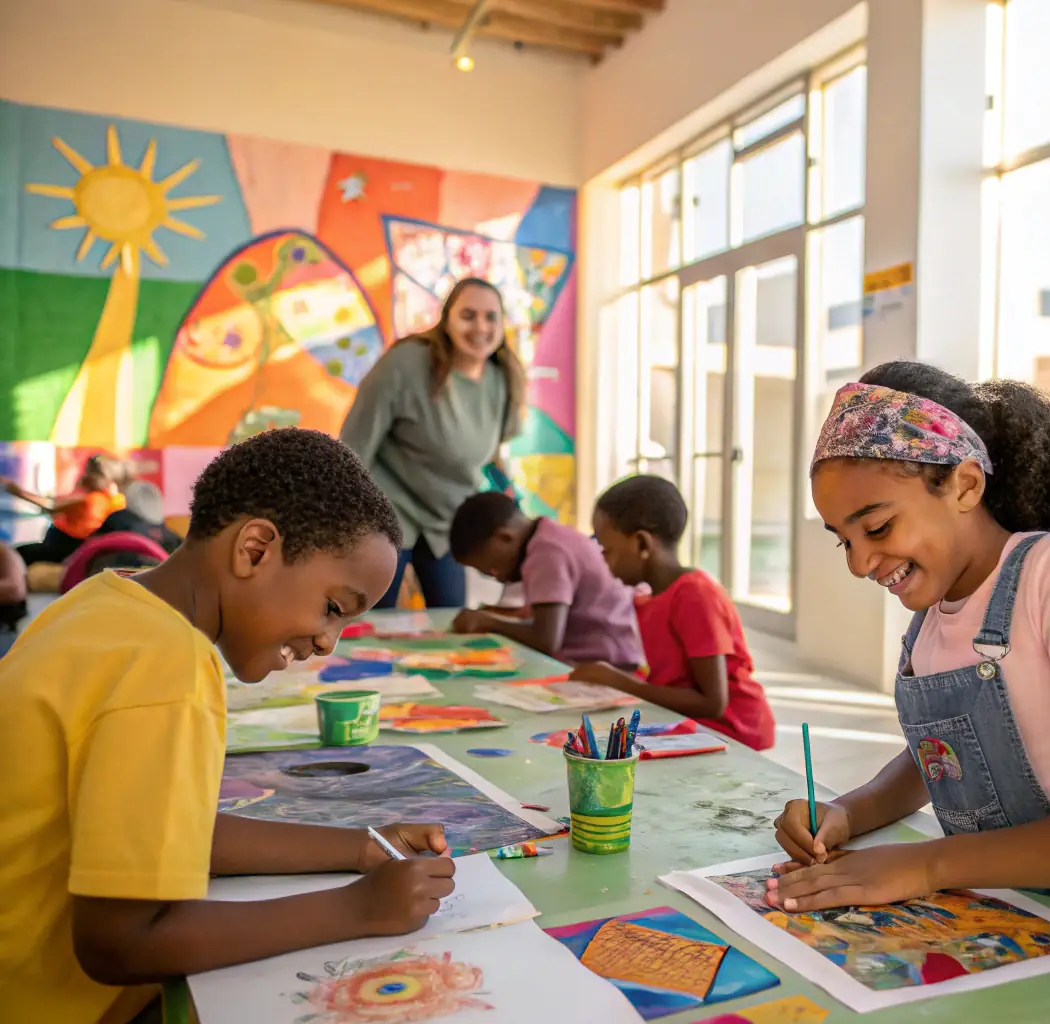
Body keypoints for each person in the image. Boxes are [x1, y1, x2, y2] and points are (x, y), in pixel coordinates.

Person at [0, 429, 458, 1023]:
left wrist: (365, 847)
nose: (326, 642)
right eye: (333, 609)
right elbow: (121, 942)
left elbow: (170, 827)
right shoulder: (166, 668)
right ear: (256, 549)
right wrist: (355, 911)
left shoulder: (101, 606)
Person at [770, 362, 1050, 940]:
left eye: (879, 527)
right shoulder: (930, 621)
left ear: (965, 485)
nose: (859, 564)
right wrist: (847, 812)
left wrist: (925, 865)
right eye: (844, 540)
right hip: (1012, 912)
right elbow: (944, 757)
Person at [341, 277, 526, 610]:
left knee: (450, 619)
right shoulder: (406, 363)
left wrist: (517, 512)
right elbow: (355, 445)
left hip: (448, 521)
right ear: (447, 320)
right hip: (386, 514)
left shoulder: (504, 378)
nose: (480, 327)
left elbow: (493, 457)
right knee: (368, 623)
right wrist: (345, 523)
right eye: (468, 315)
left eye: (490, 317)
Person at [569, 475, 776, 750]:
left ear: (642, 544)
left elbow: (713, 703)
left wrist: (620, 682)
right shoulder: (650, 597)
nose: (604, 562)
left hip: (732, 732)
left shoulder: (694, 595)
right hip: (689, 725)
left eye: (607, 551)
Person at [447, 491, 642, 667]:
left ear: (504, 537)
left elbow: (545, 640)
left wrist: (489, 623)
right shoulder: (548, 533)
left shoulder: (546, 553)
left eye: (492, 569)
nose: (498, 578)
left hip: (605, 665)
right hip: (610, 654)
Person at [3, 455, 126, 565]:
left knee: (12, 557)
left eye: (88, 472)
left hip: (64, 546)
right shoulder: (119, 500)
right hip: (83, 548)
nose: (84, 475)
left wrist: (16, 491)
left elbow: (51, 506)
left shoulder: (91, 499)